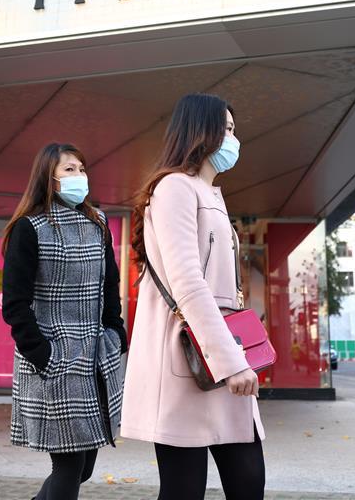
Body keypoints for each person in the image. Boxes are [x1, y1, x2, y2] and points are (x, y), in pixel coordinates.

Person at [121, 93, 265, 500]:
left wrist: (232, 359)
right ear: (203, 130)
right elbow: (188, 282)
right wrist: (231, 362)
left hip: (219, 356)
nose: (235, 140)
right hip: (189, 361)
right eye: (228, 129)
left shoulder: (212, 195)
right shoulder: (174, 189)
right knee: (185, 489)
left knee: (249, 480)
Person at [2, 142, 127, 500]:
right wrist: (44, 355)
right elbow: (15, 304)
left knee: (84, 466)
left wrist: (116, 332)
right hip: (54, 360)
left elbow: (110, 283)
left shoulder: (98, 222)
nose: (79, 176)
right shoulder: (30, 228)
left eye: (81, 169)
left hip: (95, 359)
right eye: (69, 170)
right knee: (69, 466)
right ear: (49, 178)